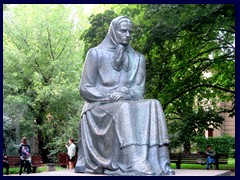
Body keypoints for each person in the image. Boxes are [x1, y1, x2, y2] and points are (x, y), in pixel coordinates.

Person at [75, 16, 175, 176]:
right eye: (123, 31)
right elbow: (85, 88)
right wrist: (108, 96)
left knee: (154, 104)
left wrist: (125, 92)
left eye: (130, 31)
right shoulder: (95, 54)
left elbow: (138, 90)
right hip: (99, 106)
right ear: (113, 31)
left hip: (126, 101)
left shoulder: (138, 58)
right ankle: (133, 161)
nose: (127, 34)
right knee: (124, 107)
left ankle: (159, 162)